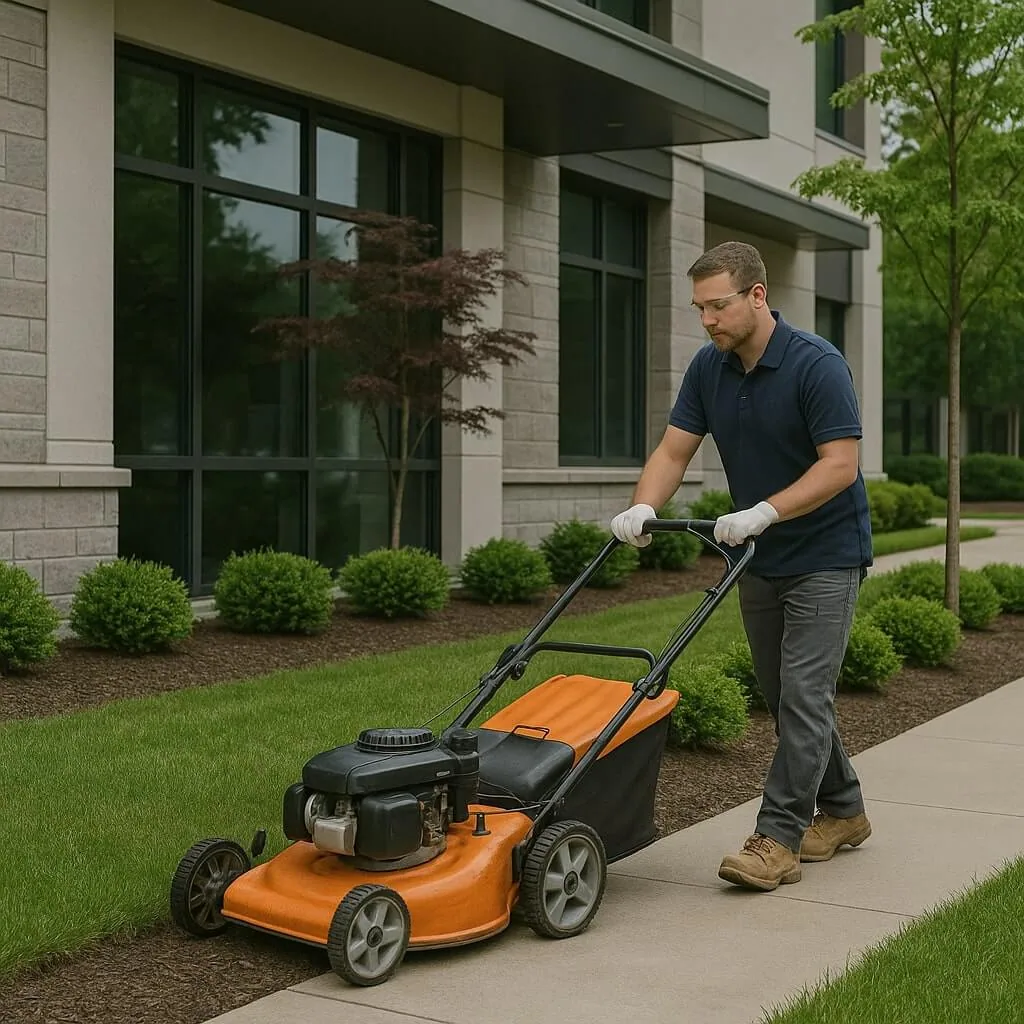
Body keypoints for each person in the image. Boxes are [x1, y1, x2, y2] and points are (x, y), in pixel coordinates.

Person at [610, 240, 873, 893]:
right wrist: (642, 507)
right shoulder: (710, 367)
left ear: (757, 295)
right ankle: (843, 810)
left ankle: (778, 839)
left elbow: (840, 464)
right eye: (699, 308)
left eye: (718, 305)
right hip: (761, 556)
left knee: (804, 693)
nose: (707, 320)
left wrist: (764, 511)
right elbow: (674, 450)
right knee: (785, 696)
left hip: (827, 554)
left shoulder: (817, 365)